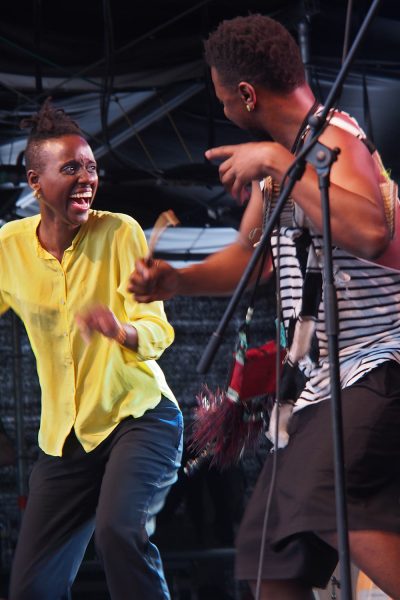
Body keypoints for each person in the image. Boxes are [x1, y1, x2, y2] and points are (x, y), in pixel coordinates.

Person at [129, 14, 400, 600]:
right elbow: (253, 259)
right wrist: (172, 283)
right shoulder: (288, 158)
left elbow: (373, 232)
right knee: (266, 555)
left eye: (222, 96)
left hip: (375, 366)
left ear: (246, 95)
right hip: (324, 383)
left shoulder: (332, 140)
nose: (223, 106)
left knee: (332, 502)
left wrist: (277, 163)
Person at [0, 98, 183, 600]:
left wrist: (120, 329)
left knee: (118, 533)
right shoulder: (8, 246)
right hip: (66, 440)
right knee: (30, 589)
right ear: (36, 182)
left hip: (139, 418)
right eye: (70, 168)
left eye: (91, 167)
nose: (86, 177)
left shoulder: (119, 231)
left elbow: (157, 330)